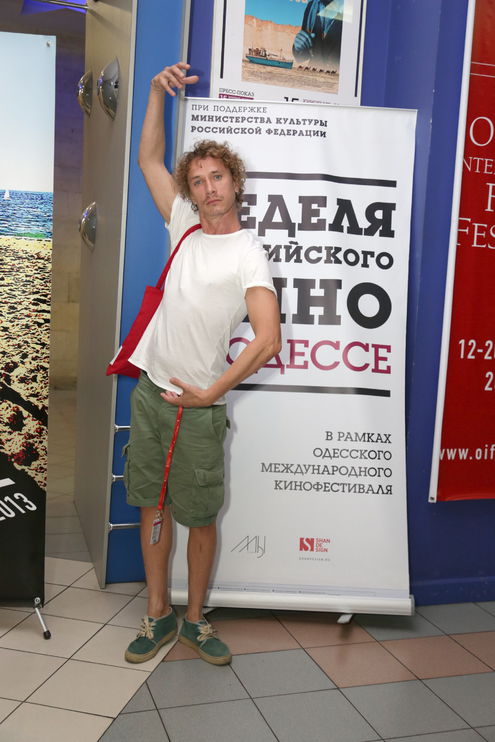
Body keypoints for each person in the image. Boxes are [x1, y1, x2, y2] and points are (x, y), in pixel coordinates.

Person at [123, 61, 281, 666]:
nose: (209, 187)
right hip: (151, 392)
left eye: (217, 176)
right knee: (152, 505)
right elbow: (148, 160)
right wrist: (155, 94)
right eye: (198, 180)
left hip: (199, 407)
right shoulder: (184, 224)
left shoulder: (248, 252)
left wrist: (210, 394)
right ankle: (157, 613)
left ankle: (195, 620)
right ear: (190, 193)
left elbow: (267, 339)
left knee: (199, 517)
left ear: (235, 183)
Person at [292, 0, 343, 69]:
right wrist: (298, 48)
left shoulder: (350, 10)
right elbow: (303, 56)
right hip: (314, 70)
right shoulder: (311, 6)